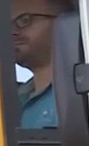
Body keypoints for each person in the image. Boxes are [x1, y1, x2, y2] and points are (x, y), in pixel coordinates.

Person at [12, 0, 73, 128]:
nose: (12, 32)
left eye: (24, 20)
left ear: (63, 22)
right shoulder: (8, 100)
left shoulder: (85, 93)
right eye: (5, 26)